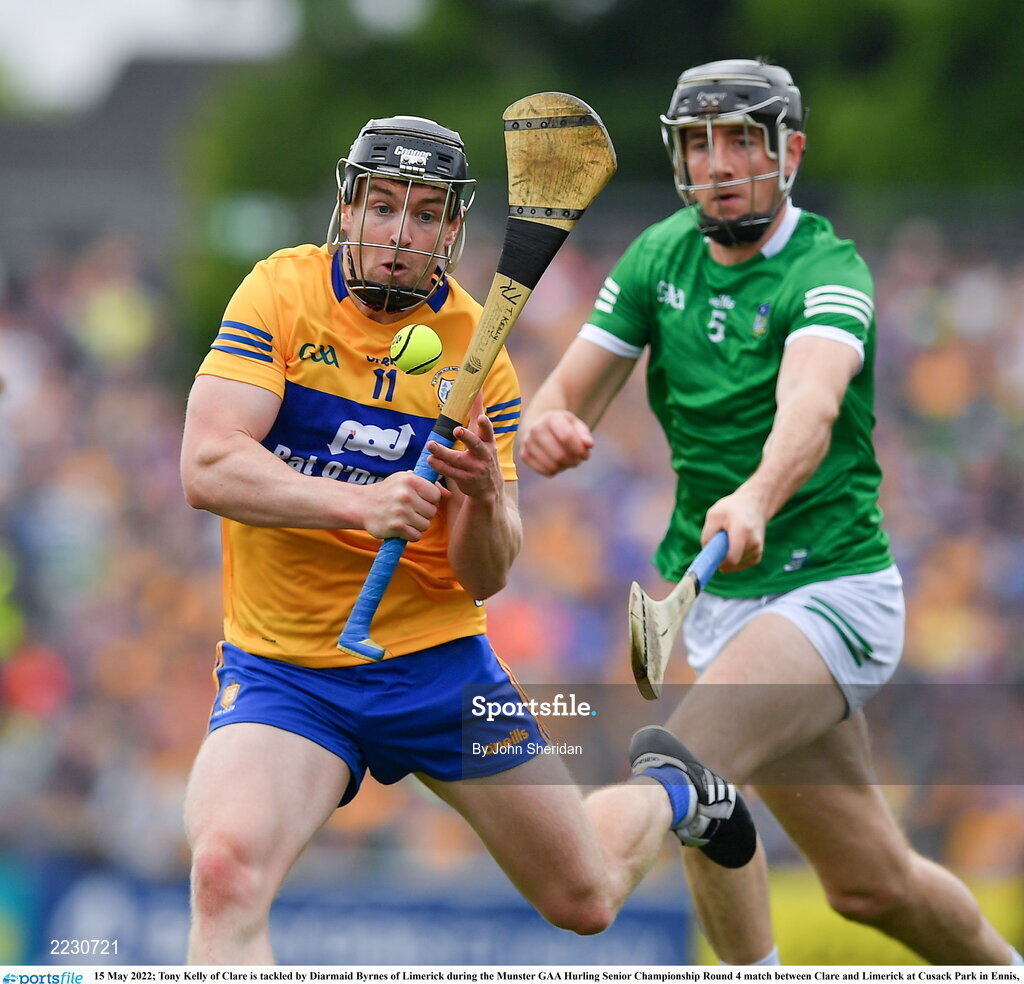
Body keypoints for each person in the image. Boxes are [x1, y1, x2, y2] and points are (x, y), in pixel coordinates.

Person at [179, 113, 756, 964]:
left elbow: (484, 576)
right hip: (289, 672)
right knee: (225, 873)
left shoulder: (481, 358)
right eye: (382, 207)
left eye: (422, 214)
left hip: (436, 665)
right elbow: (208, 465)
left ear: (452, 230)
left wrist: (484, 497)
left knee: (587, 897)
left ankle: (675, 790)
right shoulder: (281, 294)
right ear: (348, 210)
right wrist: (362, 506)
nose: (398, 233)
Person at [520, 60, 1024, 966]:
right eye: (698, 143)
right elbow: (567, 398)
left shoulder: (828, 268)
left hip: (830, 590)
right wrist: (549, 428)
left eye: (741, 139)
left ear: (789, 151)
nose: (717, 163)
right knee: (871, 883)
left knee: (677, 765)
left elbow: (812, 406)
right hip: (716, 602)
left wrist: (755, 495)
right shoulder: (657, 257)